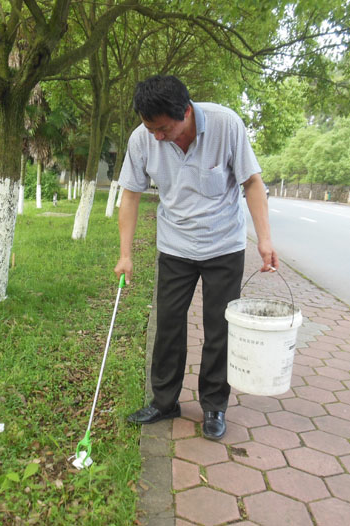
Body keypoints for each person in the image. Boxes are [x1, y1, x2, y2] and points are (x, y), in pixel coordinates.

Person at [114, 75, 278, 440]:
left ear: (186, 112)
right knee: (169, 324)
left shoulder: (226, 124)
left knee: (219, 328)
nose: (156, 136)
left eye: (162, 128)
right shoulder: (142, 139)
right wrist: (125, 255)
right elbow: (130, 195)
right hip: (175, 246)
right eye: (149, 127)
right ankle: (164, 401)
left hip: (224, 245)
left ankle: (214, 406)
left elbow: (251, 183)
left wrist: (264, 240)